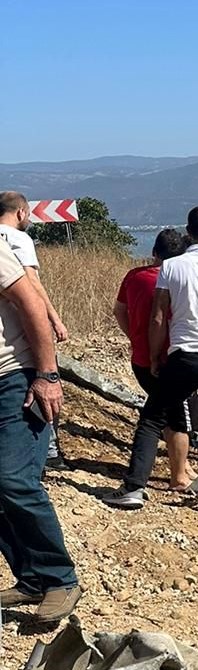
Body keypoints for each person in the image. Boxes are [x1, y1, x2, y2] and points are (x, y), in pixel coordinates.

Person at [104, 206, 198, 517]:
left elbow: (159, 317)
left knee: (152, 420)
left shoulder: (171, 268)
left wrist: (155, 355)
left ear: (189, 234)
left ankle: (134, 488)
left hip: (183, 357)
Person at [0, 237, 80, 621]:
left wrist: (48, 375)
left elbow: (31, 301)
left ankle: (59, 579)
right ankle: (32, 579)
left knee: (13, 479)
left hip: (15, 377)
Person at [113, 229, 198, 491]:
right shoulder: (182, 281)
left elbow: (119, 311)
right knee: (176, 417)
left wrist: (136, 338)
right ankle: (179, 476)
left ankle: (183, 468)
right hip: (171, 361)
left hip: (140, 360)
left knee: (165, 411)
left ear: (154, 253)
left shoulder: (134, 277)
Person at [0, 192, 69, 473]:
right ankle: (50, 452)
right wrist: (54, 317)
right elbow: (31, 285)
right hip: (20, 345)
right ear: (21, 213)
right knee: (39, 397)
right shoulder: (19, 239)